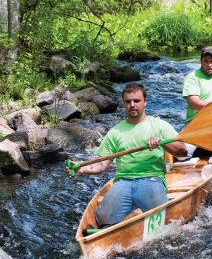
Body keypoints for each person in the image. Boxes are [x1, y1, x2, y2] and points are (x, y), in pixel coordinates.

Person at [67, 82, 188, 227]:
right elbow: (101, 164)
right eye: (128, 101)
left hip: (151, 179)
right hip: (123, 182)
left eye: (136, 101)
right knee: (103, 219)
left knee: (161, 218)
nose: (132, 105)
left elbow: (183, 151)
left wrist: (163, 142)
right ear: (123, 104)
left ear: (145, 102)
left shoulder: (159, 126)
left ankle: (157, 211)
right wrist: (82, 169)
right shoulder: (115, 132)